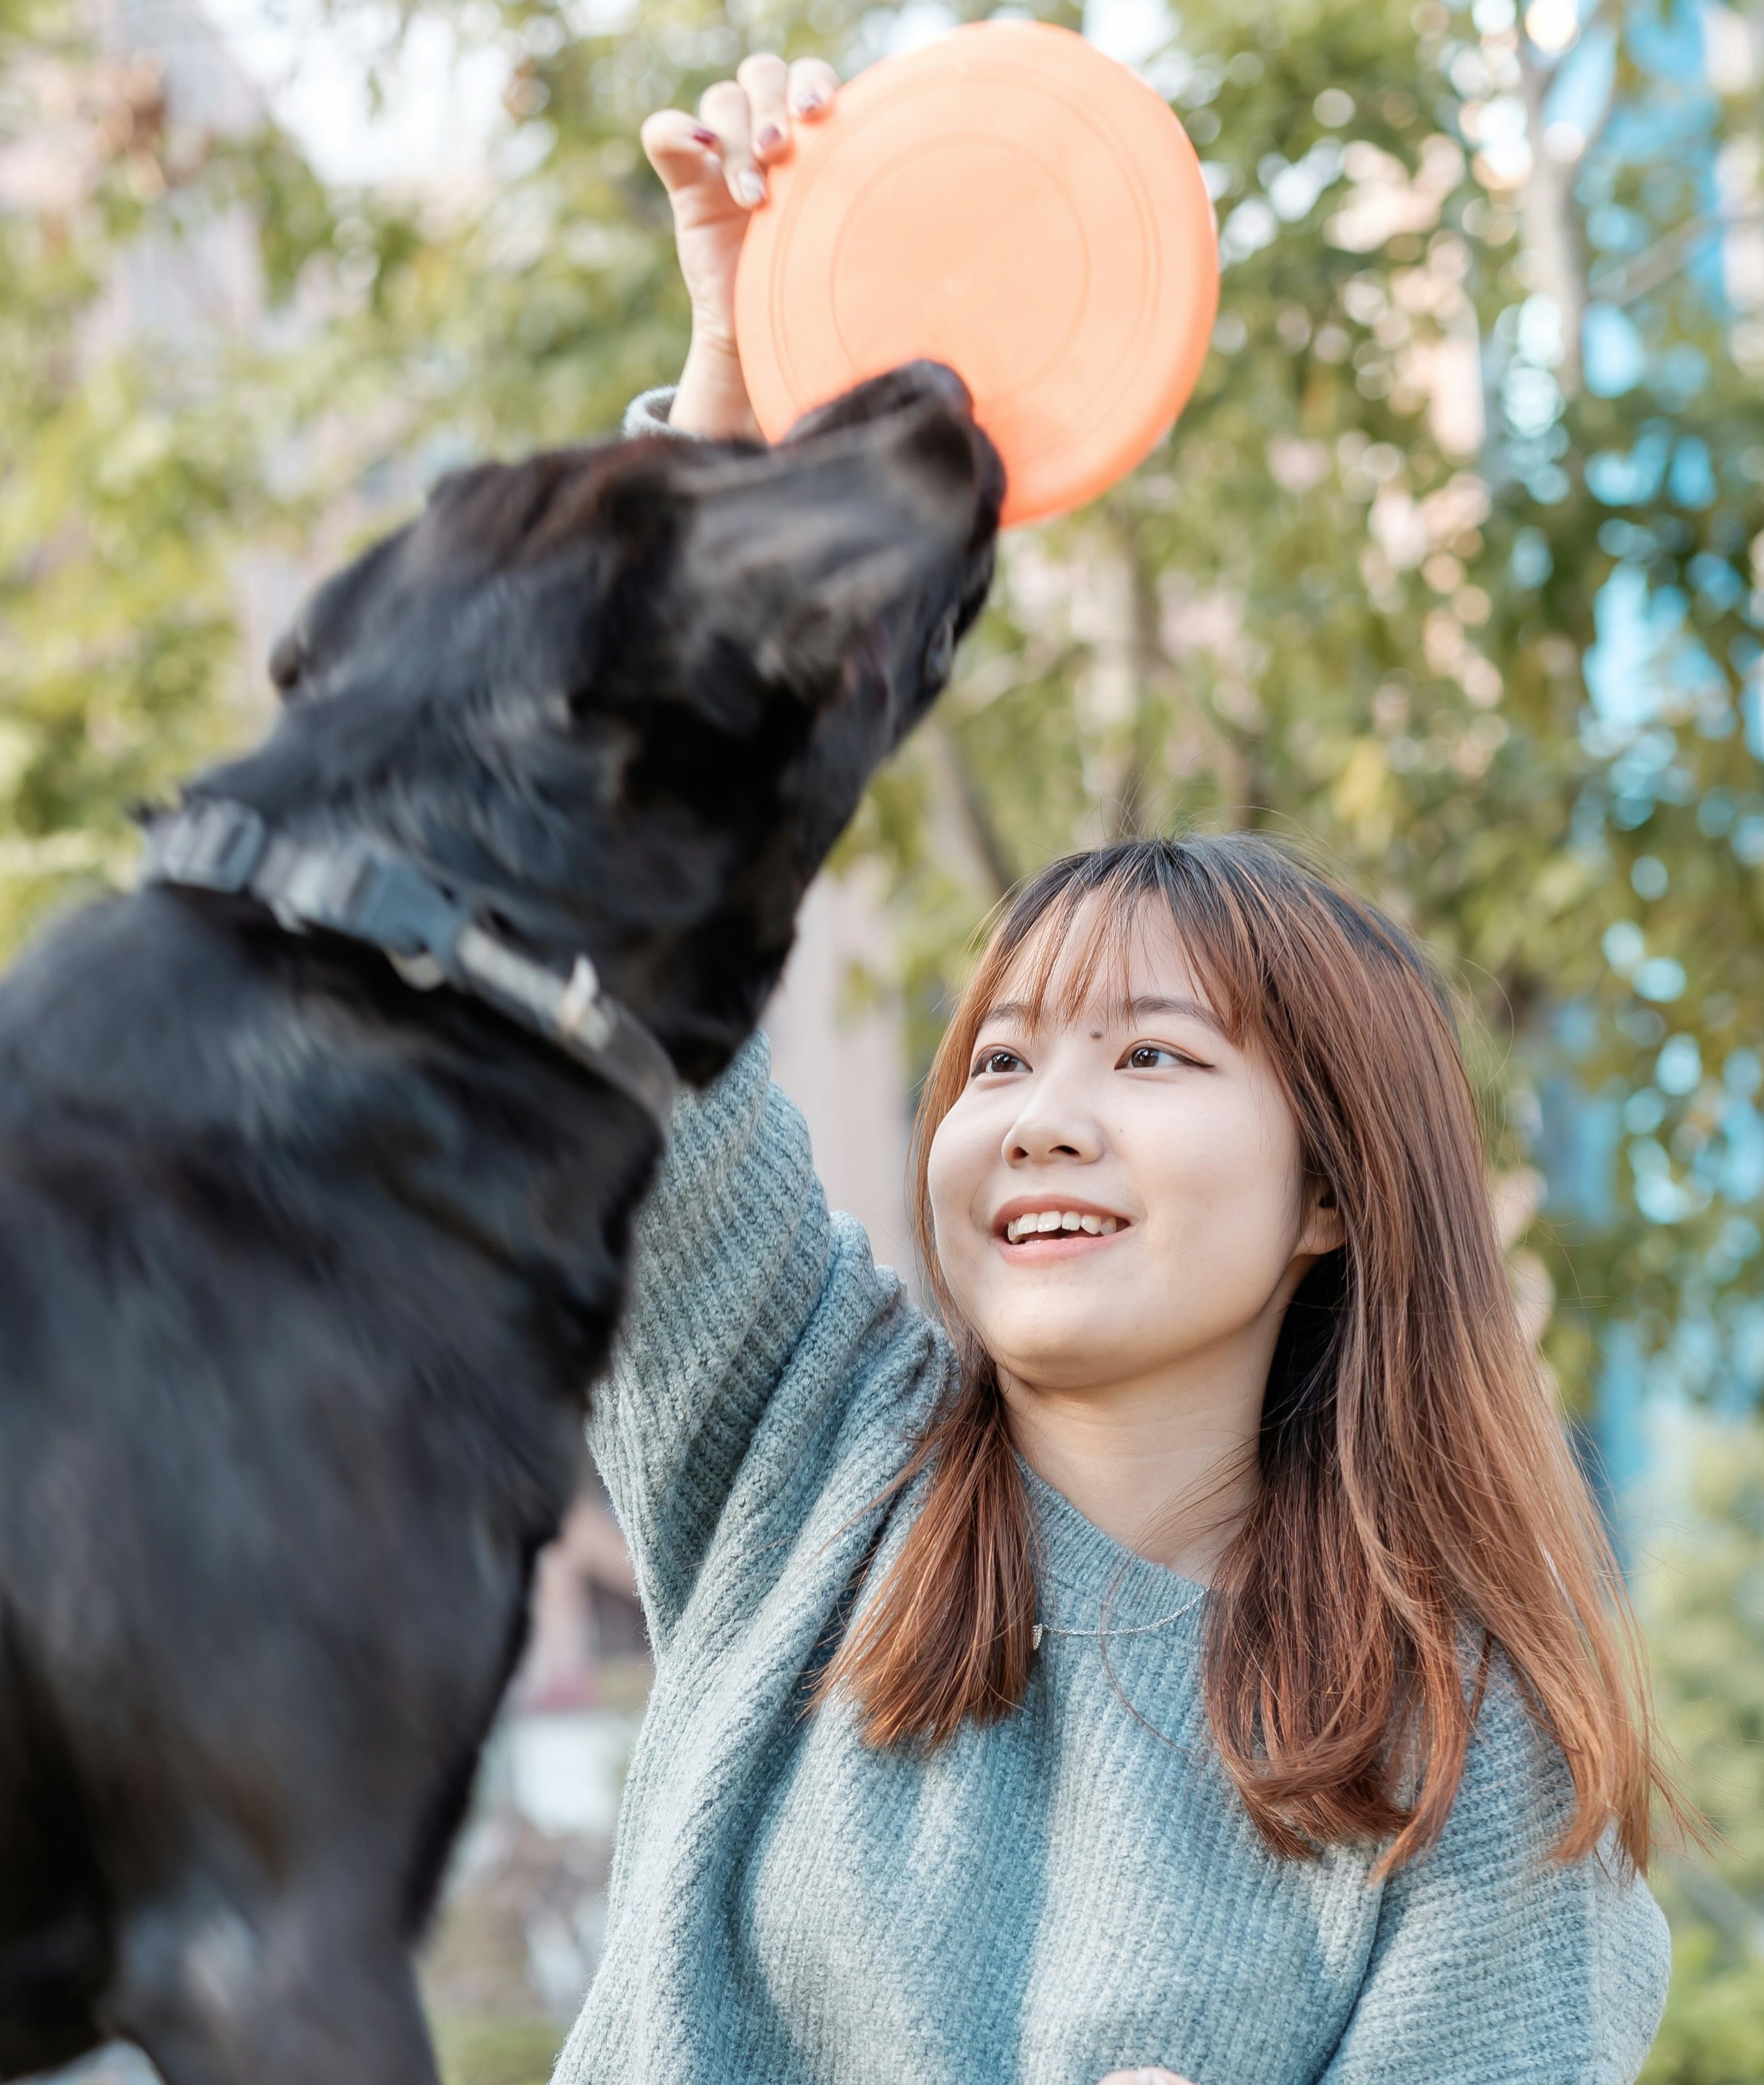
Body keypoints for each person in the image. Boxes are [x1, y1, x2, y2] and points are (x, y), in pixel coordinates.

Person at [558, 52, 1677, 2085]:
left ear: (1335, 1190)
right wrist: (733, 421)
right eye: (997, 1057)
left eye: (1154, 1053)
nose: (1038, 1112)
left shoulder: (1481, 1784)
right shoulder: (805, 1446)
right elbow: (616, 937)